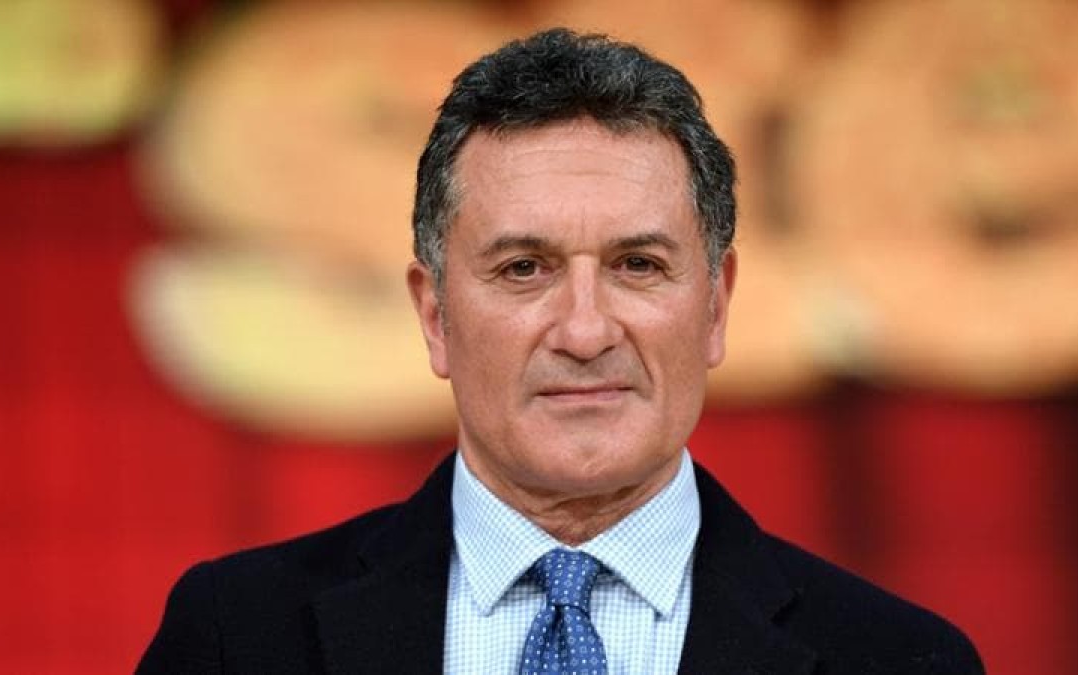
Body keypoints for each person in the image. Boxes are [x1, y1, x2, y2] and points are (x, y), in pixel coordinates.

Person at [138, 28, 984, 674]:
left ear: (716, 305)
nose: (585, 331)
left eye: (638, 265)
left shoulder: (899, 660)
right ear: (434, 314)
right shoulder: (238, 635)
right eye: (524, 268)